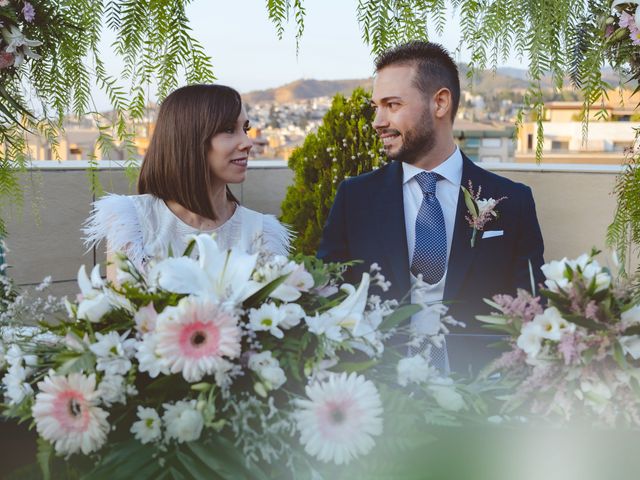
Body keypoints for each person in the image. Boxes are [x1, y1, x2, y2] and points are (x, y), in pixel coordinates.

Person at [317, 41, 545, 373]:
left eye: (392, 105)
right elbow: (331, 297)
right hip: (382, 395)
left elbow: (532, 308)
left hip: (478, 393)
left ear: (439, 102)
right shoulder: (355, 199)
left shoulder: (512, 201)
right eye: (376, 107)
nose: (377, 121)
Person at [84, 84, 292, 279]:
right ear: (189, 138)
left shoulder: (259, 232)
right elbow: (125, 309)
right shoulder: (134, 222)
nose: (247, 143)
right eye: (229, 129)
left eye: (245, 129)